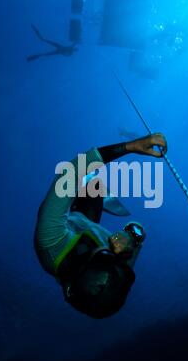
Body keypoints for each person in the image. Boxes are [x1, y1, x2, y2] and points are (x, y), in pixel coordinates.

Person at [34, 134, 168, 319]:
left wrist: (131, 146)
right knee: (95, 187)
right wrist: (129, 242)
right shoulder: (114, 273)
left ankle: (86, 189)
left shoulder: (49, 242)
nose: (110, 255)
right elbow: (138, 232)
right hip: (89, 227)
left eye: (104, 257)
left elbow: (71, 171)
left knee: (81, 187)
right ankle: (93, 189)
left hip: (69, 222)